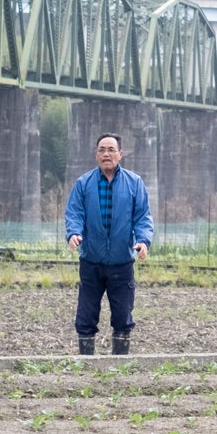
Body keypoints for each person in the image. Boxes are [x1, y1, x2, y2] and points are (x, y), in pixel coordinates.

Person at [64, 134, 153, 355]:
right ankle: (86, 362)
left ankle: (119, 365)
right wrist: (73, 233)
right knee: (86, 314)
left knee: (123, 315)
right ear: (96, 155)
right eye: (102, 150)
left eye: (111, 150)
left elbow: (142, 217)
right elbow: (74, 212)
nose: (106, 154)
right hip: (91, 260)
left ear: (120, 154)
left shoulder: (134, 183)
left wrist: (142, 240)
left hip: (122, 261)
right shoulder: (84, 184)